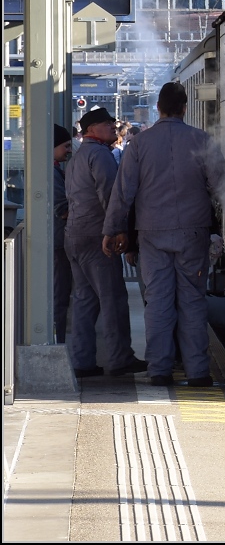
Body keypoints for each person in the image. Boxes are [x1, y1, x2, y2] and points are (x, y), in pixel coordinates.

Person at [103, 82, 225, 388]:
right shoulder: (202, 140)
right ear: (185, 108)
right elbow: (222, 187)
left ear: (158, 107)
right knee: (192, 301)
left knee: (157, 302)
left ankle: (159, 369)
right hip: (193, 233)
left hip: (152, 233)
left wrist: (113, 230)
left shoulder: (140, 145)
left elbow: (123, 192)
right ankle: (197, 372)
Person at [64, 107, 146, 378]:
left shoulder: (77, 157)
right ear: (90, 130)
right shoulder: (100, 156)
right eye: (105, 123)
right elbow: (111, 197)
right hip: (97, 237)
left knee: (85, 301)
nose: (113, 126)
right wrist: (117, 231)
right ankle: (119, 359)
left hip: (75, 236)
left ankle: (82, 361)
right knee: (113, 299)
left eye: (112, 122)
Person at [52, 124, 74, 344]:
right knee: (59, 298)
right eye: (65, 146)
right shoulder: (52, 173)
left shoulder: (55, 169)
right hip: (58, 243)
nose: (69, 150)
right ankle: (57, 344)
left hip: (57, 242)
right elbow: (63, 209)